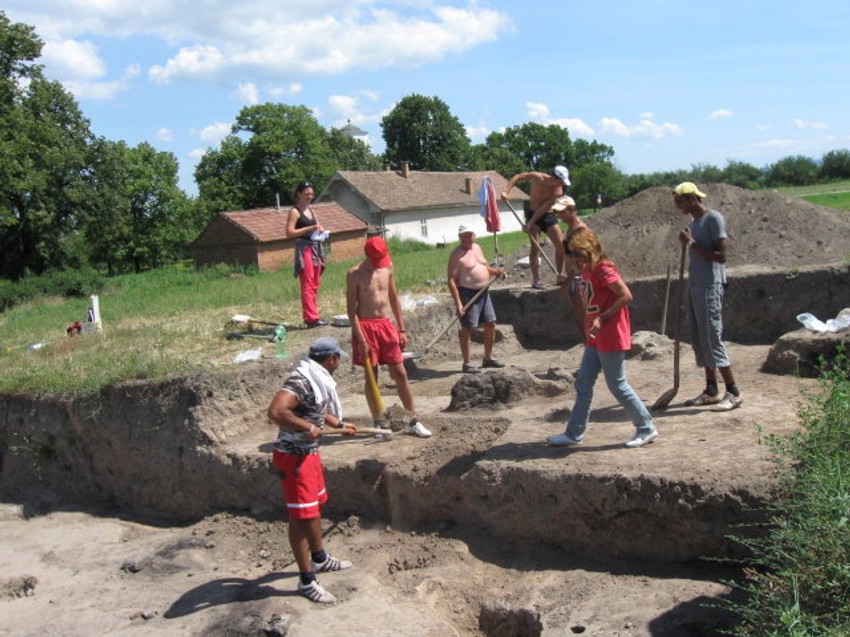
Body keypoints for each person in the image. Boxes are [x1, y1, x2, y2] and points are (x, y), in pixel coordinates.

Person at [547, 227, 658, 448]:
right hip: (595, 336)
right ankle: (573, 433)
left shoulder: (603, 269)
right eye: (571, 254)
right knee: (584, 383)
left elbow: (626, 295)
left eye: (576, 253)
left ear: (587, 249)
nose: (573, 258)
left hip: (610, 333)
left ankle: (646, 427)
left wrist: (602, 318)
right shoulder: (587, 270)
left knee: (617, 384)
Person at [266, 337, 357, 604]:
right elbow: (276, 411)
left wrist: (339, 424)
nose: (339, 362)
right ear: (331, 359)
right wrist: (306, 428)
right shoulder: (301, 380)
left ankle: (319, 558)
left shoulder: (316, 378)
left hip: (309, 455)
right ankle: (307, 580)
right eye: (338, 358)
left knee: (313, 508)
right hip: (293, 458)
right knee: (300, 517)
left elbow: (317, 409)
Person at [346, 236, 432, 438]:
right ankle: (379, 423)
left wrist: (401, 329)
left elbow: (394, 298)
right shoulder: (354, 274)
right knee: (372, 377)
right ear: (368, 255)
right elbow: (351, 311)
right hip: (365, 328)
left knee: (400, 373)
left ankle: (413, 421)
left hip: (386, 325)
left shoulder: (388, 267)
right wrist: (361, 339)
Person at [673, 182, 743, 411]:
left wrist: (691, 243)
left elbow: (721, 256)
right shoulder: (694, 223)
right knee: (700, 337)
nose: (677, 206)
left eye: (680, 201)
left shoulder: (713, 219)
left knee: (712, 337)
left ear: (693, 198)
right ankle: (711, 389)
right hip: (695, 286)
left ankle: (733, 391)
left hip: (709, 286)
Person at [447, 225, 506, 373]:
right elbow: (451, 280)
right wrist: (459, 303)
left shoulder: (477, 248)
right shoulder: (457, 254)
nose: (466, 238)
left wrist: (495, 272)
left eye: (469, 235)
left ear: (473, 235)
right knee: (467, 328)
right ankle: (467, 363)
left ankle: (488, 358)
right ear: (459, 237)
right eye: (463, 236)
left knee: (490, 323)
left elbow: (484, 267)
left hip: (483, 292)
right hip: (467, 294)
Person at [501, 166, 570, 289]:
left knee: (561, 246)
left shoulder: (558, 191)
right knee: (535, 246)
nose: (562, 185)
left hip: (548, 215)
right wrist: (506, 191)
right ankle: (536, 280)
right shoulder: (537, 177)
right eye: (560, 181)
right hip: (533, 213)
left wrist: (529, 223)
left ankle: (560, 275)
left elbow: (544, 207)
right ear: (554, 177)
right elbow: (518, 177)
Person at [285, 181, 328, 328]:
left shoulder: (311, 210)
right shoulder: (294, 211)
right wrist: (308, 228)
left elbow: (315, 226)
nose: (310, 196)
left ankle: (314, 313)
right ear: (299, 194)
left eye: (311, 194)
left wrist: (319, 229)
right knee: (307, 282)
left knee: (315, 281)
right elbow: (289, 233)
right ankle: (311, 318)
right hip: (304, 248)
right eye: (306, 194)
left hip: (316, 246)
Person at [553, 195, 587, 334]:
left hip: (580, 279)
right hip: (575, 279)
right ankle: (591, 351)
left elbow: (581, 261)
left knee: (584, 321)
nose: (559, 215)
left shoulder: (580, 230)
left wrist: (567, 282)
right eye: (558, 212)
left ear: (572, 210)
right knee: (580, 321)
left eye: (562, 212)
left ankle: (593, 352)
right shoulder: (570, 229)